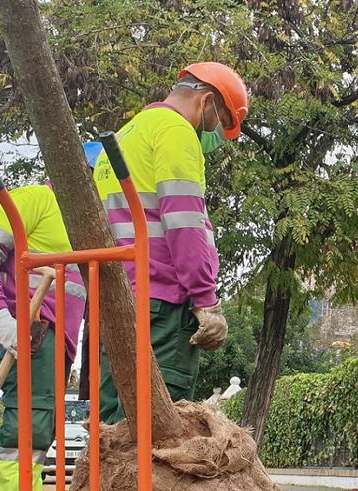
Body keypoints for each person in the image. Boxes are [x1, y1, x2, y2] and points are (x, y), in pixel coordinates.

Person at [94, 62, 249, 423]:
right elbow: (185, 223)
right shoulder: (176, 131)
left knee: (115, 428)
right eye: (216, 124)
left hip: (116, 298)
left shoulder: (125, 135)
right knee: (157, 425)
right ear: (206, 101)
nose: (210, 135)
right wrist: (206, 301)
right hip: (160, 302)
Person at [0, 184, 86, 491]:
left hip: (59, 339)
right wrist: (0, 317)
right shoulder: (36, 198)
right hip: (33, 327)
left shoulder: (81, 218)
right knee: (26, 428)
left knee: (39, 433)